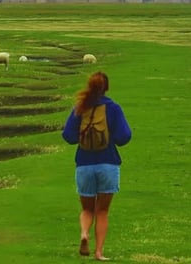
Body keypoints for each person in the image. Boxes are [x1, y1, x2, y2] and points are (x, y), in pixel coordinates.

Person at [62, 72, 132, 261]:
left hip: (84, 164)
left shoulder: (80, 107)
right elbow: (125, 136)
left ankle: (84, 233)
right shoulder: (113, 108)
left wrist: (83, 137)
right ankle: (99, 252)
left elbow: (68, 135)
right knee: (102, 211)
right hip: (108, 163)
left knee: (87, 209)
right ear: (106, 87)